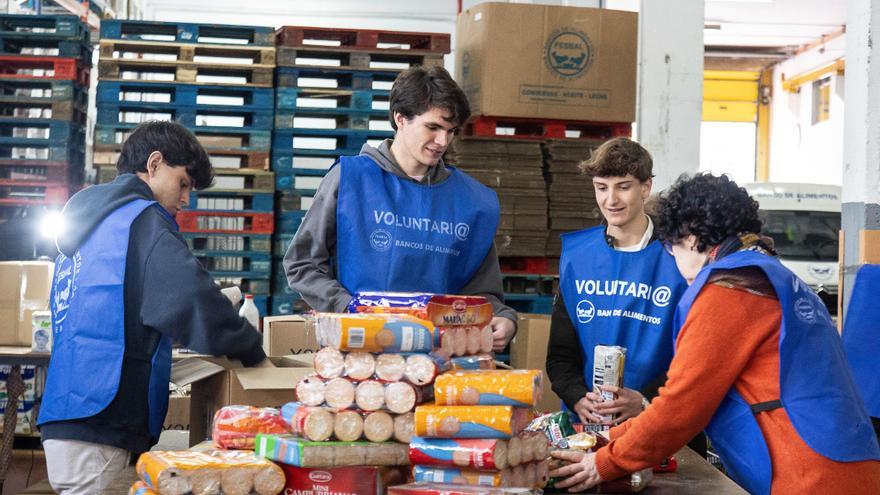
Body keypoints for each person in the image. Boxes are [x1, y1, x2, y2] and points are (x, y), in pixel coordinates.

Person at [549, 173, 880, 494]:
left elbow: (680, 408)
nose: (673, 258)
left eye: (670, 247)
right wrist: (605, 438)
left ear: (691, 237)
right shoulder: (770, 277)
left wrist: (602, 463)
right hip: (845, 458)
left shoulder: (728, 291)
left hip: (809, 475)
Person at [37, 121, 271, 494]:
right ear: (155, 163)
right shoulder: (142, 220)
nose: (185, 200)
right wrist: (251, 349)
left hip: (67, 409)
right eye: (183, 183)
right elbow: (190, 296)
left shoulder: (90, 220)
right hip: (103, 415)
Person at [284, 65, 516, 350]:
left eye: (451, 131)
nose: (442, 141)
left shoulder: (472, 201)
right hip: (357, 352)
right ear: (401, 118)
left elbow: (483, 291)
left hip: (439, 358)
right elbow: (302, 263)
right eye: (433, 127)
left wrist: (505, 319)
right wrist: (349, 309)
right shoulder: (350, 180)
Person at [546, 138, 692, 438]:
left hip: (660, 422)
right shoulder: (577, 256)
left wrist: (645, 400)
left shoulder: (681, 257)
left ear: (646, 187)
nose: (611, 199)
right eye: (601, 187)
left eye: (623, 186)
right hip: (587, 427)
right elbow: (560, 356)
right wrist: (577, 397)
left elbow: (695, 358)